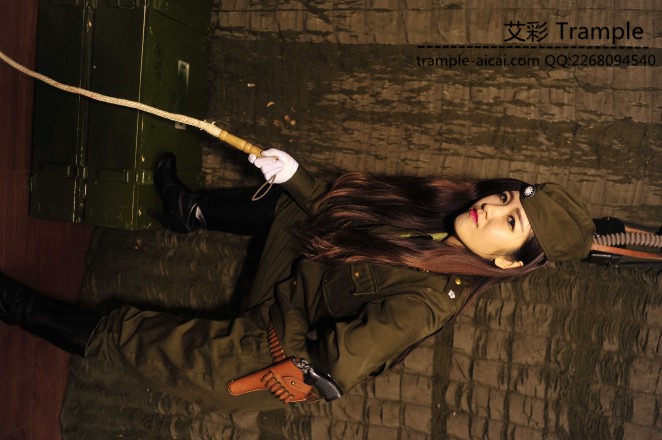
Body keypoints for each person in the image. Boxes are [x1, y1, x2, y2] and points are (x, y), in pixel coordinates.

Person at [0, 149, 595, 411]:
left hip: (270, 354)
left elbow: (336, 368)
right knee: (300, 206)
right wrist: (295, 178)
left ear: (509, 263)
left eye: (510, 222)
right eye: (506, 199)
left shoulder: (429, 301)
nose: (491, 208)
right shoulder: (440, 224)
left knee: (127, 335)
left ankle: (13, 304)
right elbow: (344, 217)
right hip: (294, 290)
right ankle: (191, 211)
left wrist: (298, 353)